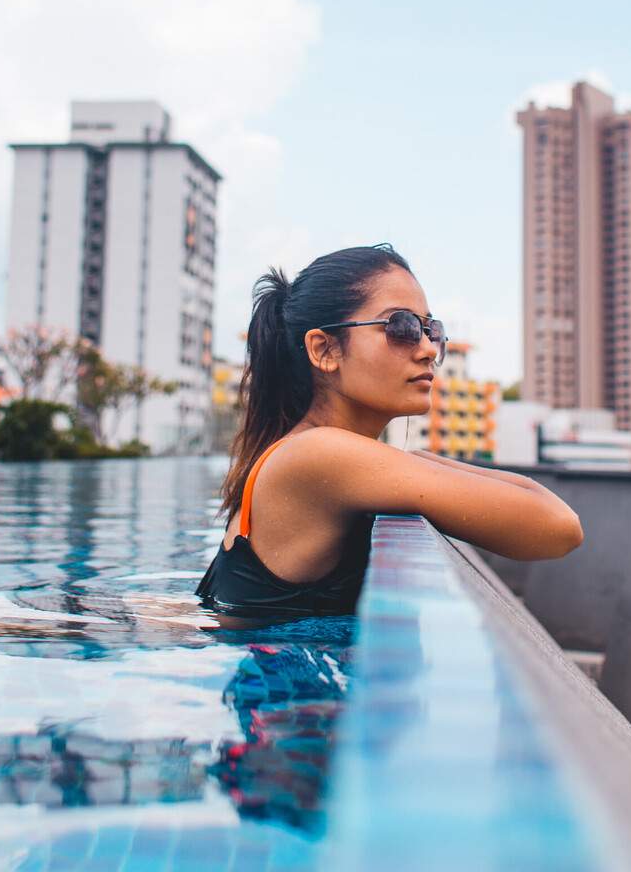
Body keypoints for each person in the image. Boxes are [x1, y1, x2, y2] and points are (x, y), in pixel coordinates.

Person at [197, 244, 583, 626]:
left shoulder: (316, 449)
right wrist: (419, 463)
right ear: (325, 349)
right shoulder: (318, 453)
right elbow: (557, 526)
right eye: (402, 327)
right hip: (283, 686)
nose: (428, 348)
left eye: (431, 329)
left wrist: (419, 461)